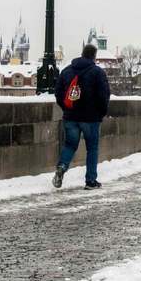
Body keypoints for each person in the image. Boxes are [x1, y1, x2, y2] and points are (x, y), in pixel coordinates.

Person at [52, 44, 111, 190]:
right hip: (91, 118)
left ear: (82, 54)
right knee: (92, 148)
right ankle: (90, 181)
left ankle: (61, 167)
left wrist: (66, 108)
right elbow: (104, 96)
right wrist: (101, 113)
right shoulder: (98, 73)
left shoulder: (66, 71)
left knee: (70, 145)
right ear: (94, 56)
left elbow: (58, 93)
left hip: (71, 117)